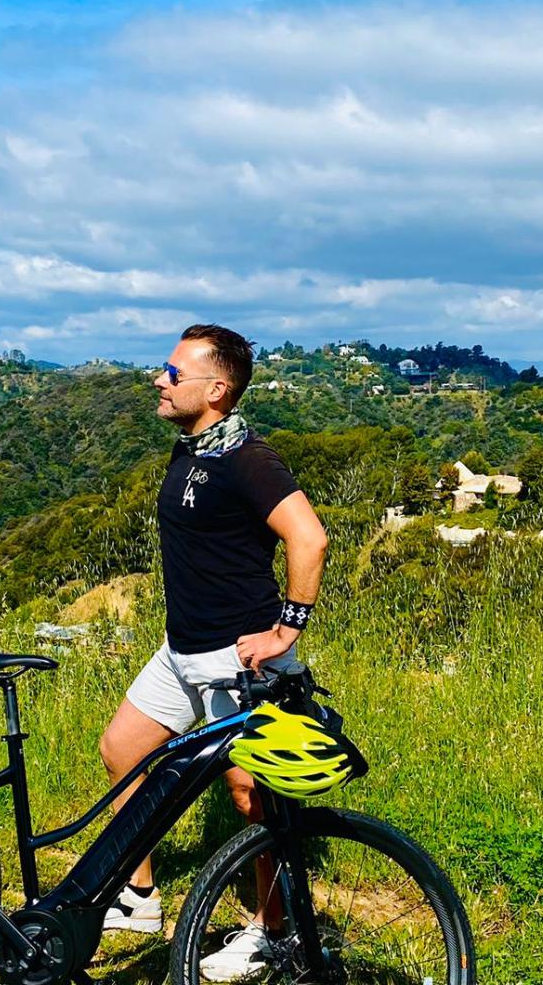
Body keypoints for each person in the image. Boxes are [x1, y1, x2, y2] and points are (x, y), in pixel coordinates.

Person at [98, 323, 328, 979]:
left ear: (216, 388)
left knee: (252, 794)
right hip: (182, 650)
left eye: (173, 373)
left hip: (238, 656)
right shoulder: (191, 448)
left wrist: (287, 630)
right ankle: (140, 897)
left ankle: (272, 934)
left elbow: (308, 539)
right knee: (123, 749)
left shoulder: (248, 459)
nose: (158, 380)